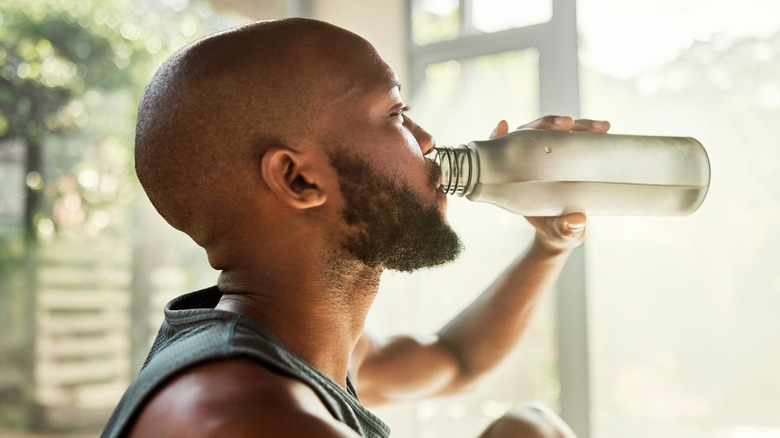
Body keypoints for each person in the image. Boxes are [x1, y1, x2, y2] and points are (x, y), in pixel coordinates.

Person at [101, 17, 609, 438]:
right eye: (395, 113)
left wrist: (550, 244)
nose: (428, 140)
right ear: (298, 178)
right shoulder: (245, 416)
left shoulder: (299, 348)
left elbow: (457, 358)